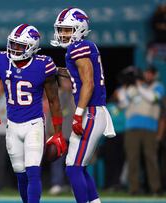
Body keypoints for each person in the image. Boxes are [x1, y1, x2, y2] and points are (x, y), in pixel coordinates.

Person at [0, 24, 67, 203]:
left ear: (32, 47)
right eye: (13, 44)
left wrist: (58, 132)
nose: (14, 48)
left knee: (33, 172)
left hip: (34, 124)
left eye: (20, 45)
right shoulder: (1, 59)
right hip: (12, 125)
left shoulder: (43, 65)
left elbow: (54, 101)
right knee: (20, 174)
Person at [51, 7, 116, 203]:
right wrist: (53, 69)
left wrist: (78, 114)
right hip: (92, 111)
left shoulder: (79, 48)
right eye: (61, 29)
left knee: (73, 167)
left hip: (92, 112)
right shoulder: (80, 48)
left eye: (67, 30)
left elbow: (88, 83)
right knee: (77, 165)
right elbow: (76, 76)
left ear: (79, 29)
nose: (63, 34)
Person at [118, 67, 164, 195]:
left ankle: (156, 188)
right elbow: (123, 104)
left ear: (154, 75)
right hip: (132, 128)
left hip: (150, 128)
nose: (148, 76)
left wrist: (138, 87)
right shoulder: (132, 88)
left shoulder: (157, 87)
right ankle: (134, 189)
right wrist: (125, 89)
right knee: (132, 159)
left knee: (151, 158)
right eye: (146, 73)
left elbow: (153, 98)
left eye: (150, 74)